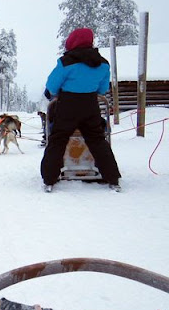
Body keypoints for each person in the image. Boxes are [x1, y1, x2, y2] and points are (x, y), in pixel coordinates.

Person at [40, 27, 121, 192]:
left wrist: (50, 94)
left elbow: (52, 86)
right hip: (90, 106)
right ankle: (112, 177)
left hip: (68, 106)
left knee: (58, 139)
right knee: (97, 139)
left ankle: (49, 178)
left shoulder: (66, 62)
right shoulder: (103, 63)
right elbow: (102, 89)